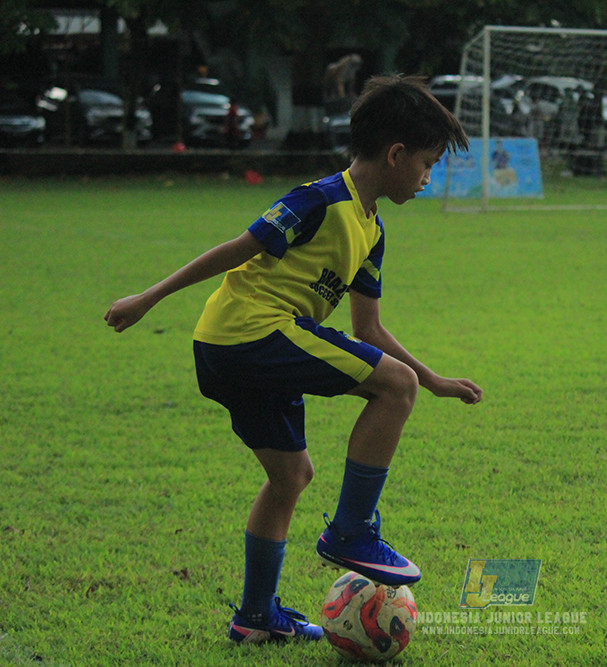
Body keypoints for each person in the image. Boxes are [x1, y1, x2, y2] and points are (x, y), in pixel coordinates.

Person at [104, 75, 483, 644]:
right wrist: (147, 298)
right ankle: (352, 532)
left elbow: (368, 327)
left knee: (291, 476)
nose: (429, 178)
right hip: (248, 335)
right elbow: (238, 248)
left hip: (234, 348)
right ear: (396, 154)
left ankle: (255, 618)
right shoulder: (320, 199)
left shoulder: (371, 230)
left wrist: (431, 380)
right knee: (392, 387)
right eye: (427, 163)